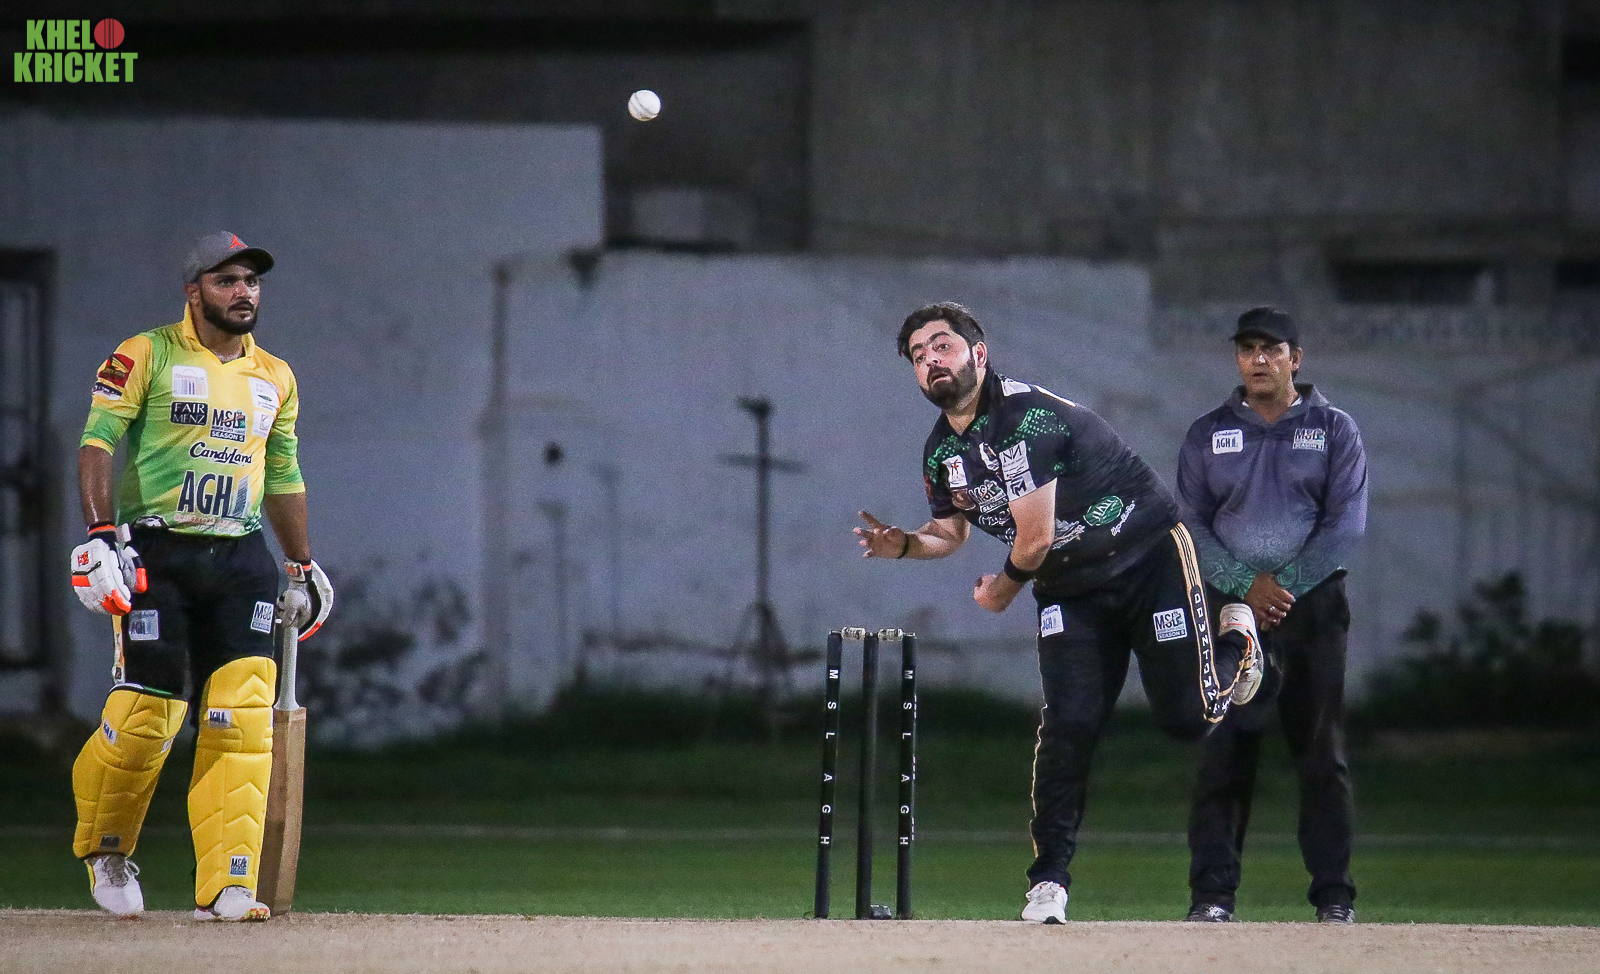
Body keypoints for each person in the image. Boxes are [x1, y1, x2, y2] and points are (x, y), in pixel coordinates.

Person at [853, 302, 1264, 923]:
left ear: (977, 354)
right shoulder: (941, 451)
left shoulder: (1024, 418)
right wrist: (906, 545)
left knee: (1189, 718)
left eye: (942, 346)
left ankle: (1239, 640)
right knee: (1068, 724)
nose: (931, 360)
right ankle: (1048, 882)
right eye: (918, 355)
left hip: (1146, 557)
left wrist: (1001, 592)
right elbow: (950, 532)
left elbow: (1035, 537)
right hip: (1068, 587)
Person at [68, 231, 333, 921]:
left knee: (242, 717)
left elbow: (283, 474)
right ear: (194, 291)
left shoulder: (276, 376)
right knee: (150, 712)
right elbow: (98, 441)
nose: (244, 292)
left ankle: (229, 882)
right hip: (157, 551)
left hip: (240, 556)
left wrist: (301, 565)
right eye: (227, 280)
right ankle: (107, 848)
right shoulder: (146, 353)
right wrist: (100, 535)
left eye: (251, 281)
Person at [1178, 305, 1368, 924]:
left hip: (1312, 608)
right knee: (1224, 752)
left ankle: (1334, 897)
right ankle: (1212, 897)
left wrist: (1281, 588)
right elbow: (1190, 523)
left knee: (1320, 753)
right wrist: (1244, 586)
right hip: (1229, 610)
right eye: (1247, 349)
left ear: (1296, 358)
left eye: (1272, 349)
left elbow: (1345, 526)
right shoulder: (1207, 432)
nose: (1258, 360)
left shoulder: (1334, 429)